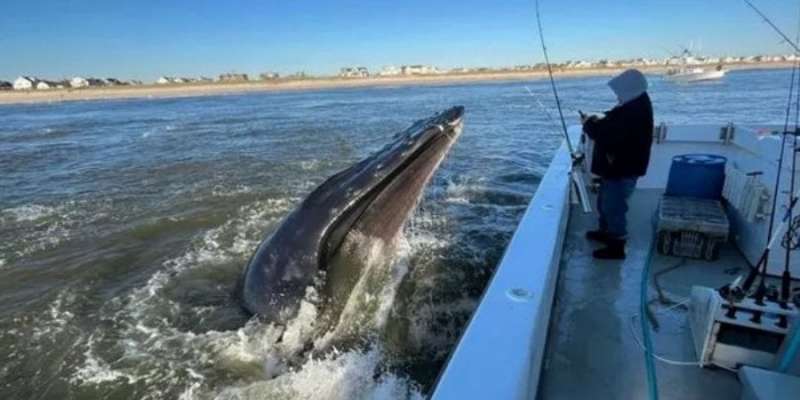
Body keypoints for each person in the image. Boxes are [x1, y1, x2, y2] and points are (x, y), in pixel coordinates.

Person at [581, 69, 653, 260]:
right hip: (618, 167)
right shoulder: (637, 103)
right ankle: (605, 232)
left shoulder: (634, 110)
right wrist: (600, 119)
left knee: (614, 208)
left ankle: (616, 246)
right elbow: (616, 119)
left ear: (630, 89)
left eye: (619, 91)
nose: (617, 95)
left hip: (622, 168)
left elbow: (607, 135)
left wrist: (588, 124)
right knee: (605, 202)